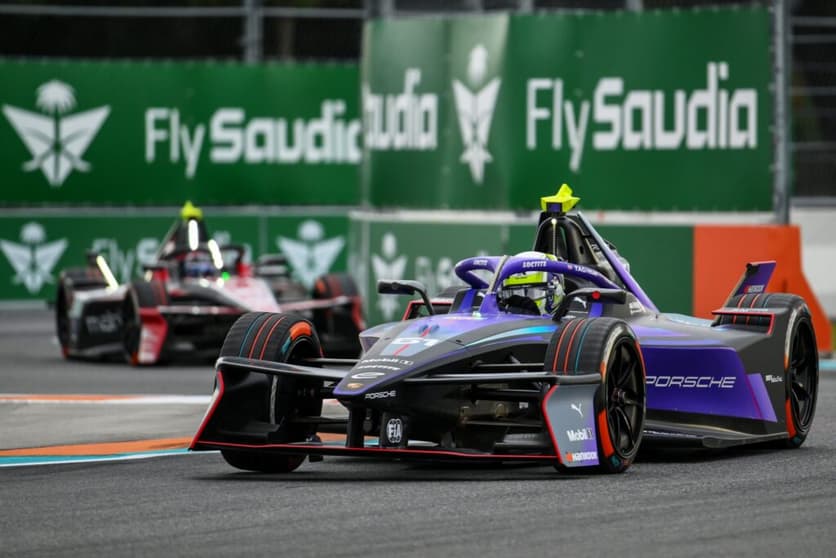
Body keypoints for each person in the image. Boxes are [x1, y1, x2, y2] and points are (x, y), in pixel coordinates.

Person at [498, 251, 565, 315]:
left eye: (532, 293)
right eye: (517, 294)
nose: (522, 305)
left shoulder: (572, 323)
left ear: (556, 291)